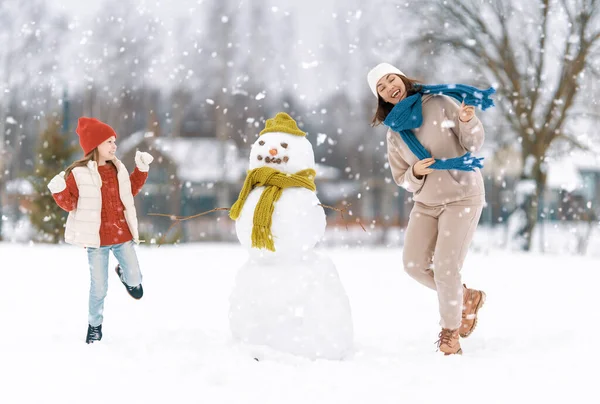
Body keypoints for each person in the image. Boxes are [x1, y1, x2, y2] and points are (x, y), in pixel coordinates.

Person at [367, 62, 493, 355]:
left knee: (447, 268)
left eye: (390, 79)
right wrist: (416, 172)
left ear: (401, 77)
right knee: (413, 265)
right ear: (381, 99)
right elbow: (402, 178)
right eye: (381, 88)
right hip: (426, 201)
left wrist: (466, 121)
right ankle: (465, 297)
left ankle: (450, 335)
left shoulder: (437, 102)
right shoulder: (394, 132)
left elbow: (473, 143)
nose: (389, 88)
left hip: (462, 196)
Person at [47, 117, 154, 344]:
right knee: (99, 287)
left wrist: (141, 169)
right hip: (96, 241)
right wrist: (59, 191)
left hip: (121, 235)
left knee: (136, 278)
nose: (114, 146)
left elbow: (130, 189)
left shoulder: (118, 168)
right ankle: (94, 326)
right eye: (109, 142)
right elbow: (70, 204)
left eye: (114, 141)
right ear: (95, 145)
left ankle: (126, 277)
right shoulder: (78, 174)